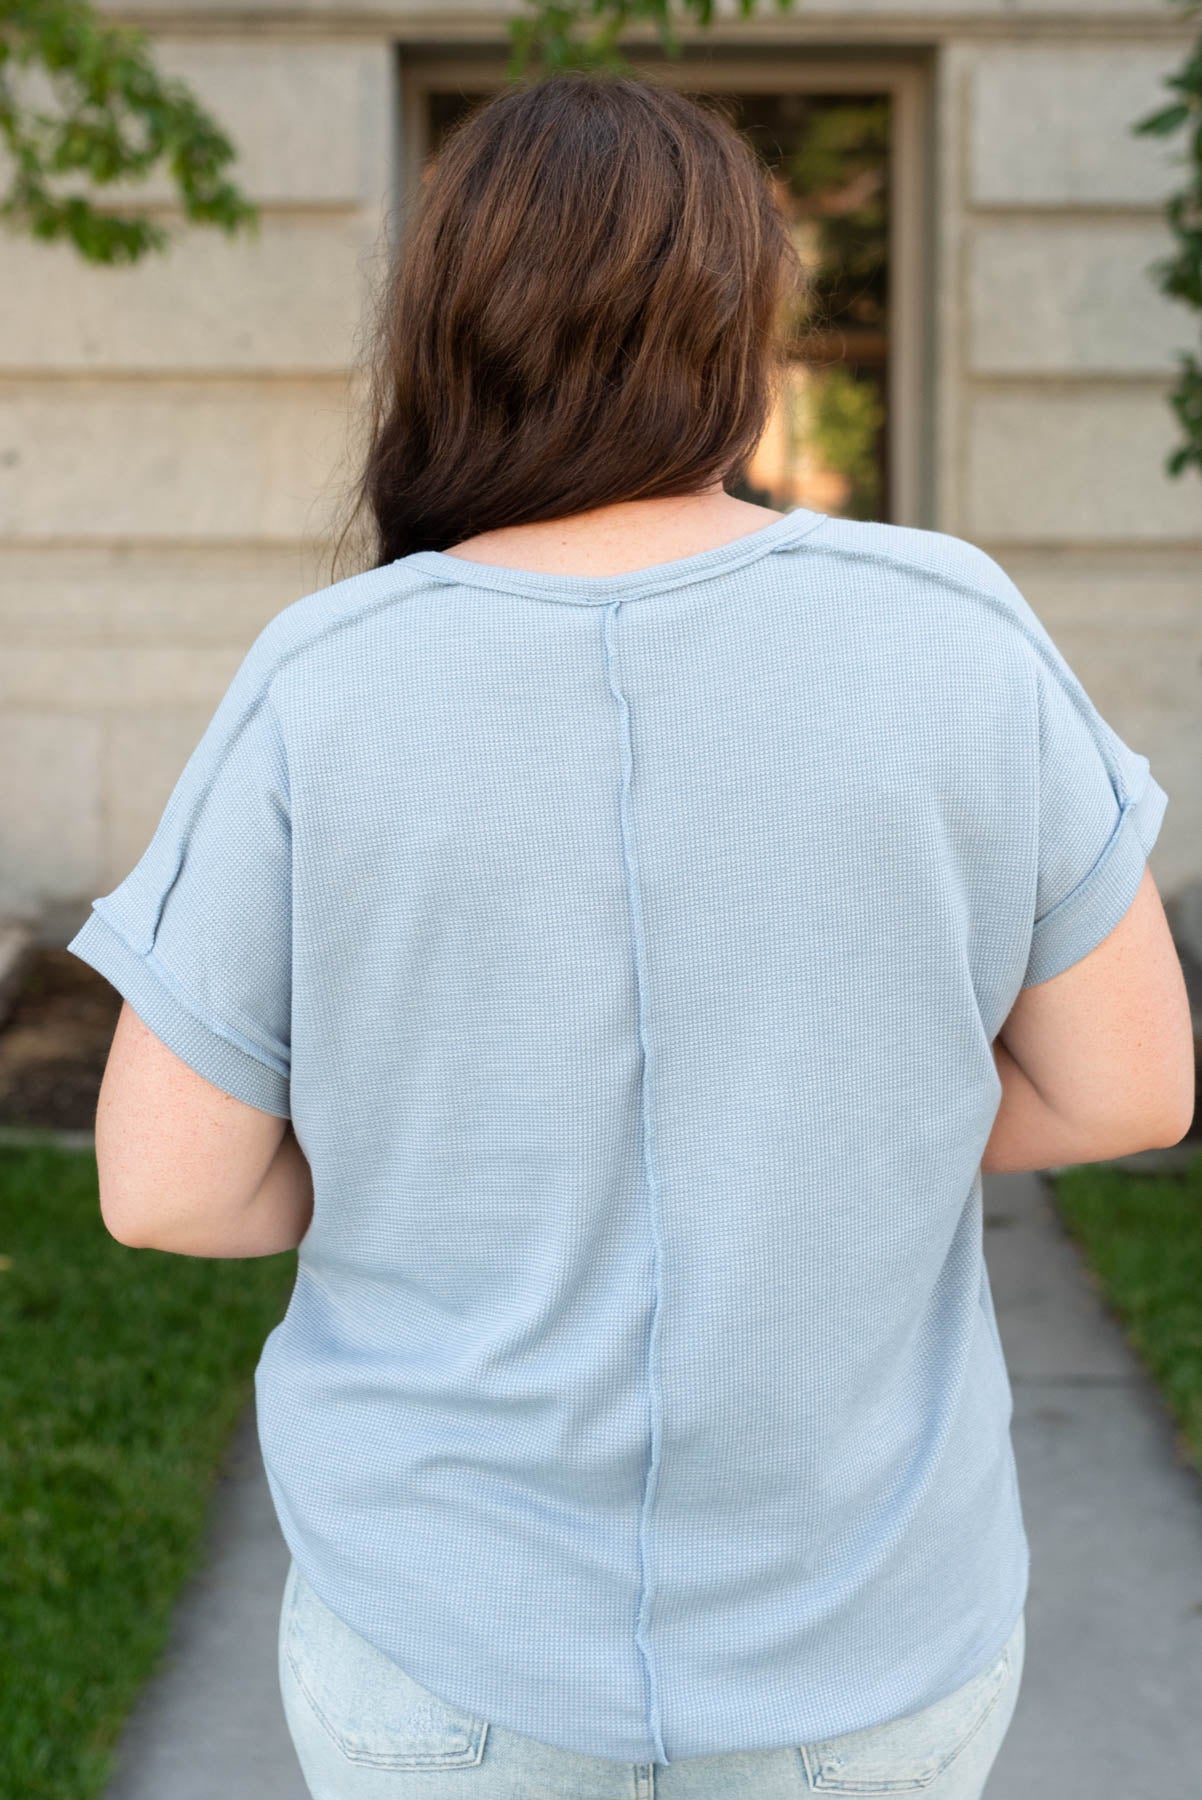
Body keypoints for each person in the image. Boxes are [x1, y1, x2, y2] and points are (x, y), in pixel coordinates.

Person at [66, 67, 1194, 1800]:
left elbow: (168, 1189)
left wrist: (408, 1165)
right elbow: (1127, 1089)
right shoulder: (948, 627)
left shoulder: (329, 678)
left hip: (447, 1649)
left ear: (447, 334)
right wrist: (850, 1127)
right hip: (863, 1643)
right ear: (745, 329)